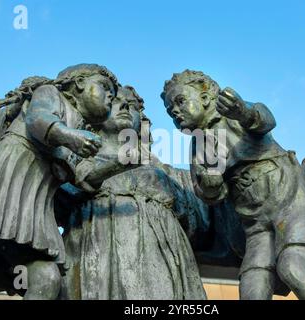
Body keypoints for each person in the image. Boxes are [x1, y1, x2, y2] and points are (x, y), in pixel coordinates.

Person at [161, 70, 305, 300]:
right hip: (253, 221)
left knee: (293, 267)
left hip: (290, 199)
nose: (174, 111)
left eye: (180, 101)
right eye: (169, 111)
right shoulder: (197, 146)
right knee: (252, 285)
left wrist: (243, 112)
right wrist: (212, 186)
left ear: (205, 99)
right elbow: (208, 193)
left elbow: (265, 120)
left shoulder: (232, 114)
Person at [0, 64, 118, 299]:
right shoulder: (50, 93)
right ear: (78, 83)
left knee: (46, 277)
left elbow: (82, 176)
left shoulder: (83, 129)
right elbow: (38, 120)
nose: (110, 96)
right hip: (8, 177)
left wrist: (123, 162)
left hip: (35, 203)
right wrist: (70, 136)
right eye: (105, 87)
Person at [60, 86, 207, 300]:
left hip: (163, 262)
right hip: (96, 254)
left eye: (132, 105)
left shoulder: (170, 175)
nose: (124, 106)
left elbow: (211, 209)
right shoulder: (72, 163)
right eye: (113, 101)